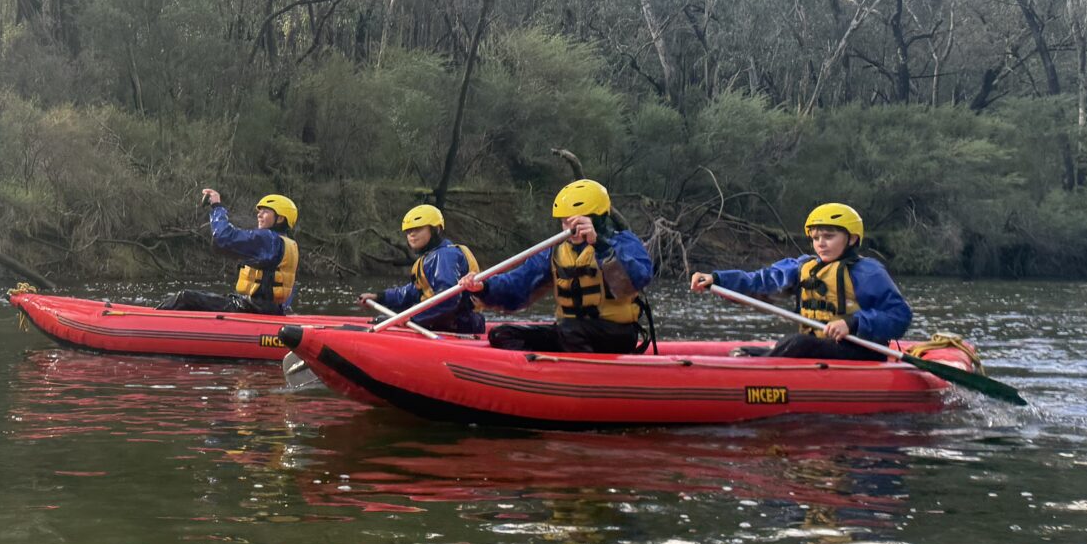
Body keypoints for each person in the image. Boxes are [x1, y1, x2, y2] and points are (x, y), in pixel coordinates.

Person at [691, 202, 910, 360]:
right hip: (820, 345)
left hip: (859, 349)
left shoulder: (867, 272)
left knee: (797, 342)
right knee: (755, 348)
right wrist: (717, 279)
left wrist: (853, 323)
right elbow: (761, 280)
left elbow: (899, 316)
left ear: (852, 239)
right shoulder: (803, 266)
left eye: (829, 237)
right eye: (816, 238)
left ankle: (762, 370)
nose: (820, 244)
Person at [471, 179, 654, 353]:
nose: (568, 228)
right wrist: (484, 287)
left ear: (596, 219)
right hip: (572, 334)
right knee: (502, 334)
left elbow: (636, 281)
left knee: (570, 329)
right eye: (564, 221)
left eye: (574, 221)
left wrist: (600, 245)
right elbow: (518, 284)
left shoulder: (622, 242)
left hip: (615, 335)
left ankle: (587, 373)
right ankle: (546, 373)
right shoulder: (556, 252)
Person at [158, 189, 299, 314]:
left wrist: (216, 207)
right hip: (270, 309)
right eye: (259, 211)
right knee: (213, 298)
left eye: (266, 212)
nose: (259, 215)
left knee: (185, 297)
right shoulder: (288, 244)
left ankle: (153, 320)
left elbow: (224, 237)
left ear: (280, 218)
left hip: (252, 308)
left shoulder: (268, 239)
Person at [371, 205, 483, 334]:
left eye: (418, 229)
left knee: (385, 321)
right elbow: (413, 292)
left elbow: (448, 298)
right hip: (445, 321)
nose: (412, 234)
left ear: (436, 229)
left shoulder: (445, 255)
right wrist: (380, 297)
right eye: (408, 231)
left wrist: (413, 319)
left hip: (459, 324)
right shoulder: (428, 259)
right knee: (386, 317)